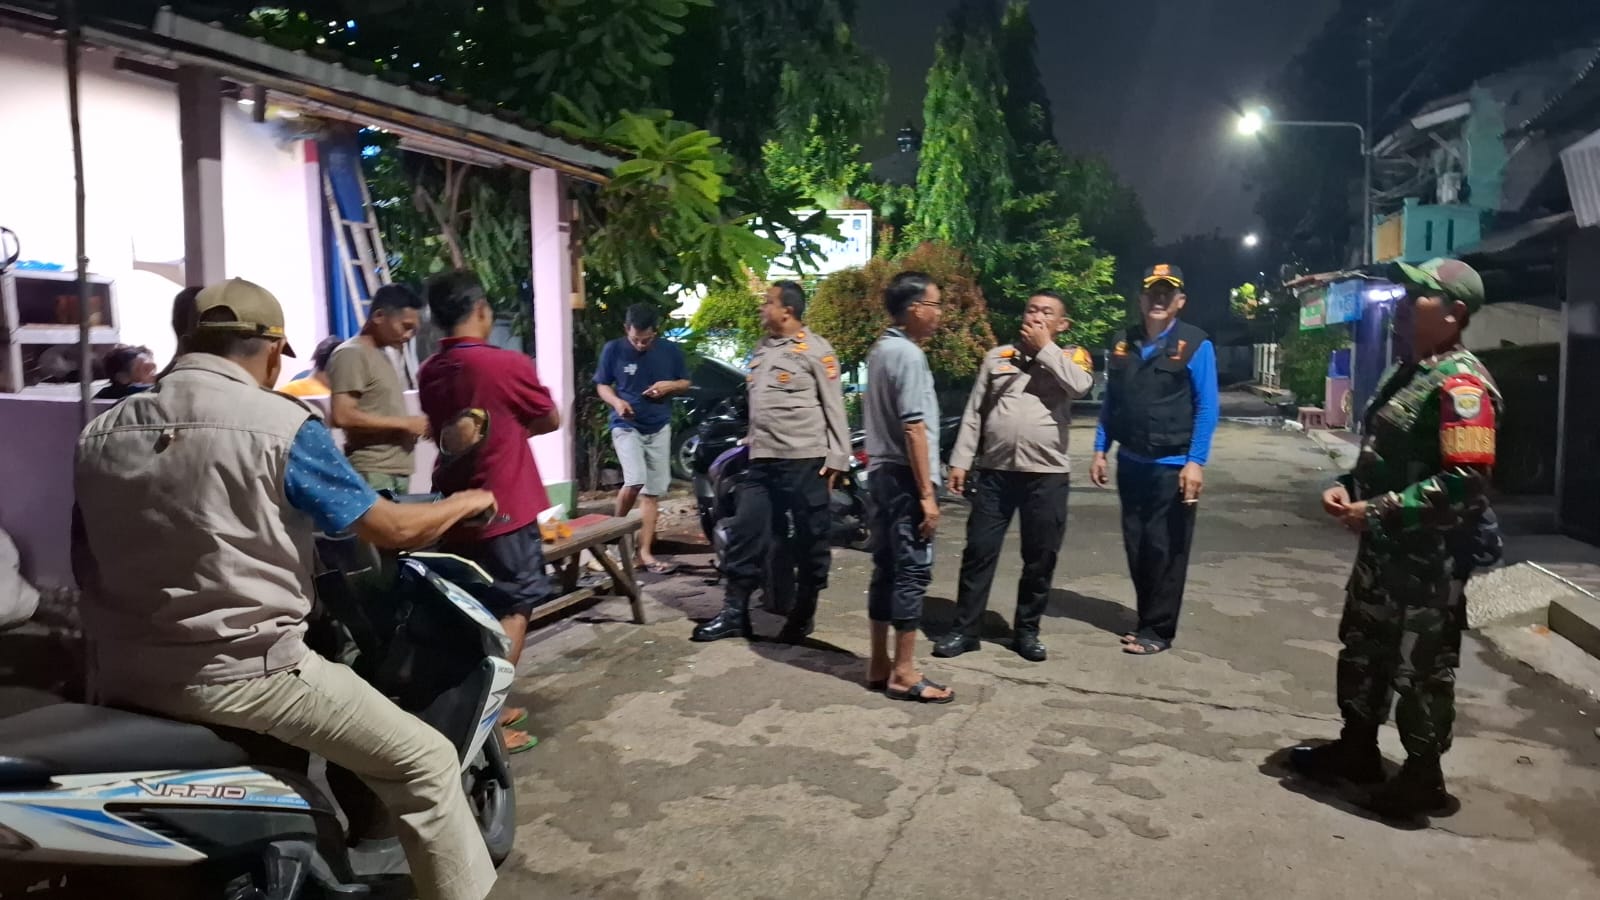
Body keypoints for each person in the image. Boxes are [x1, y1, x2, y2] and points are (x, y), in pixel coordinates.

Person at [72, 278, 500, 900]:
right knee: (426, 763)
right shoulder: (281, 425)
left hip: (121, 672)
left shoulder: (102, 430)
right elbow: (393, 529)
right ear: (273, 351)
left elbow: (84, 560)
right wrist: (468, 500)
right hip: (248, 674)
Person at [1289, 258, 1501, 821]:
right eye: (1404, 295)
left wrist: (1380, 510)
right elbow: (1381, 458)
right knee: (1364, 646)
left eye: (1417, 298)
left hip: (1430, 562)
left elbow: (1467, 481)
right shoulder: (1404, 373)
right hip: (1382, 554)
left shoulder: (1463, 384)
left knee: (1422, 669)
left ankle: (1422, 780)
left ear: (1455, 313)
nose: (1403, 306)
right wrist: (1347, 485)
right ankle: (1357, 748)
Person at [419, 270, 560, 755]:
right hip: (505, 510)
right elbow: (549, 418)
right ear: (481, 309)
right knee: (513, 610)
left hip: (454, 509)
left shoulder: (430, 370)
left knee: (472, 614)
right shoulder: (506, 364)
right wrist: (511, 428)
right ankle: (486, 724)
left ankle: (482, 706)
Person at [937, 290, 1096, 663]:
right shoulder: (998, 357)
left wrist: (1045, 349)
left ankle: (1027, 632)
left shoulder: (1071, 357)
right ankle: (964, 630)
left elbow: (1081, 386)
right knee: (979, 551)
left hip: (1047, 476)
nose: (1037, 316)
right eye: (1032, 310)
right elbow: (975, 411)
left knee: (1040, 557)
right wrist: (961, 460)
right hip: (996, 473)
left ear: (1062, 324)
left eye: (1047, 313)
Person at [691, 281, 850, 643]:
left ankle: (803, 613)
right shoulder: (762, 349)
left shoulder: (816, 350)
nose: (762, 307)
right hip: (761, 460)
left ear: (787, 311)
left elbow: (834, 407)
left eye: (768, 302)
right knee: (746, 531)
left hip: (805, 461)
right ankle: (734, 613)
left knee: (811, 540)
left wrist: (838, 459)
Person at [1089, 263, 1219, 656]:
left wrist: (1195, 462)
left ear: (1180, 301)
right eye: (1152, 292)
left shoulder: (1195, 344)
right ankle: (1146, 619)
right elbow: (1112, 402)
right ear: (1141, 298)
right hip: (1131, 463)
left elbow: (1207, 406)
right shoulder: (1122, 343)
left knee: (1167, 548)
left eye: (1167, 293)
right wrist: (1100, 449)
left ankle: (1159, 630)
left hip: (1173, 465)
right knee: (1138, 546)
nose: (1159, 299)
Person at [861, 271, 953, 703]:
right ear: (915, 308)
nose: (939, 314)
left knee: (885, 568)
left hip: (881, 474)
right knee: (912, 571)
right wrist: (927, 496)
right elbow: (914, 428)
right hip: (905, 477)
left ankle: (879, 662)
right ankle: (904, 671)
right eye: (935, 305)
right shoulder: (909, 356)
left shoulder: (880, 350)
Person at [594, 304, 691, 574]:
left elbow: (685, 382)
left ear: (655, 332)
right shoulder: (613, 349)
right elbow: (602, 384)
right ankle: (613, 541)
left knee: (652, 493)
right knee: (635, 479)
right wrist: (617, 402)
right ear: (627, 329)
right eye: (635, 339)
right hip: (626, 424)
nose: (640, 345)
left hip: (658, 425)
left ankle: (644, 554)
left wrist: (669, 386)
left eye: (646, 340)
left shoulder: (669, 351)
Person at [327, 284, 430, 493]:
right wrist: (405, 424)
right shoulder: (351, 353)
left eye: (413, 330)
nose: (409, 335)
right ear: (379, 316)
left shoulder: (382, 354)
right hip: (373, 471)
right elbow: (342, 415)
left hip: (392, 472)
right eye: (406, 326)